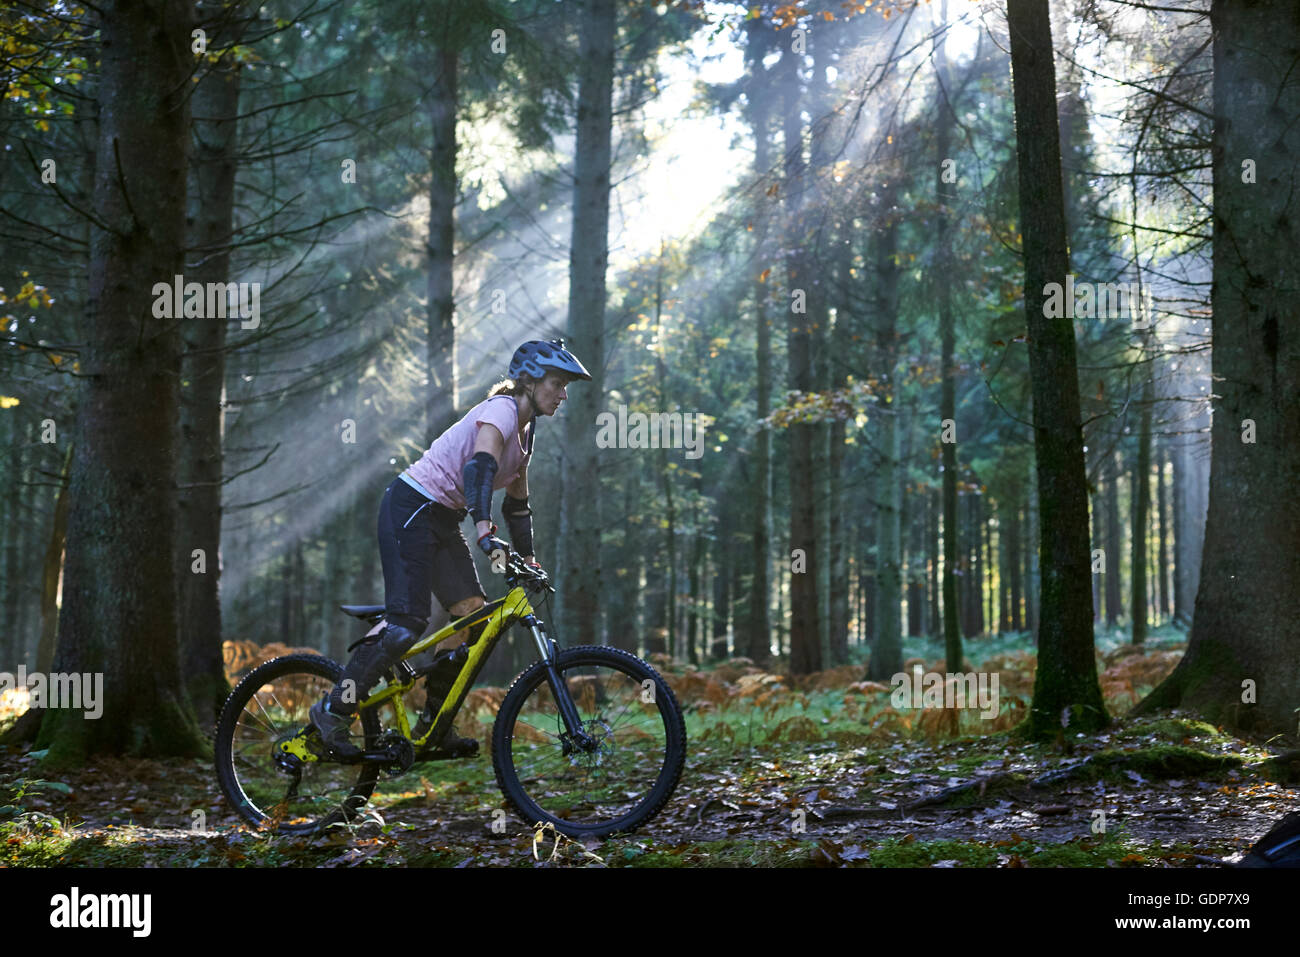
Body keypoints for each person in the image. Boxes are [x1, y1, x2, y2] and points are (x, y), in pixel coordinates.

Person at [308, 338, 592, 758]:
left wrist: (529, 557)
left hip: (442, 517)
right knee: (406, 624)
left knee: (470, 615)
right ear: (529, 381)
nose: (563, 393)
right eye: (557, 383)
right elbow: (479, 468)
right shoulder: (501, 411)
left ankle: (434, 725)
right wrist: (482, 527)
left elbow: (517, 505)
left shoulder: (527, 433)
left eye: (566, 385)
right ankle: (334, 709)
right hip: (411, 505)